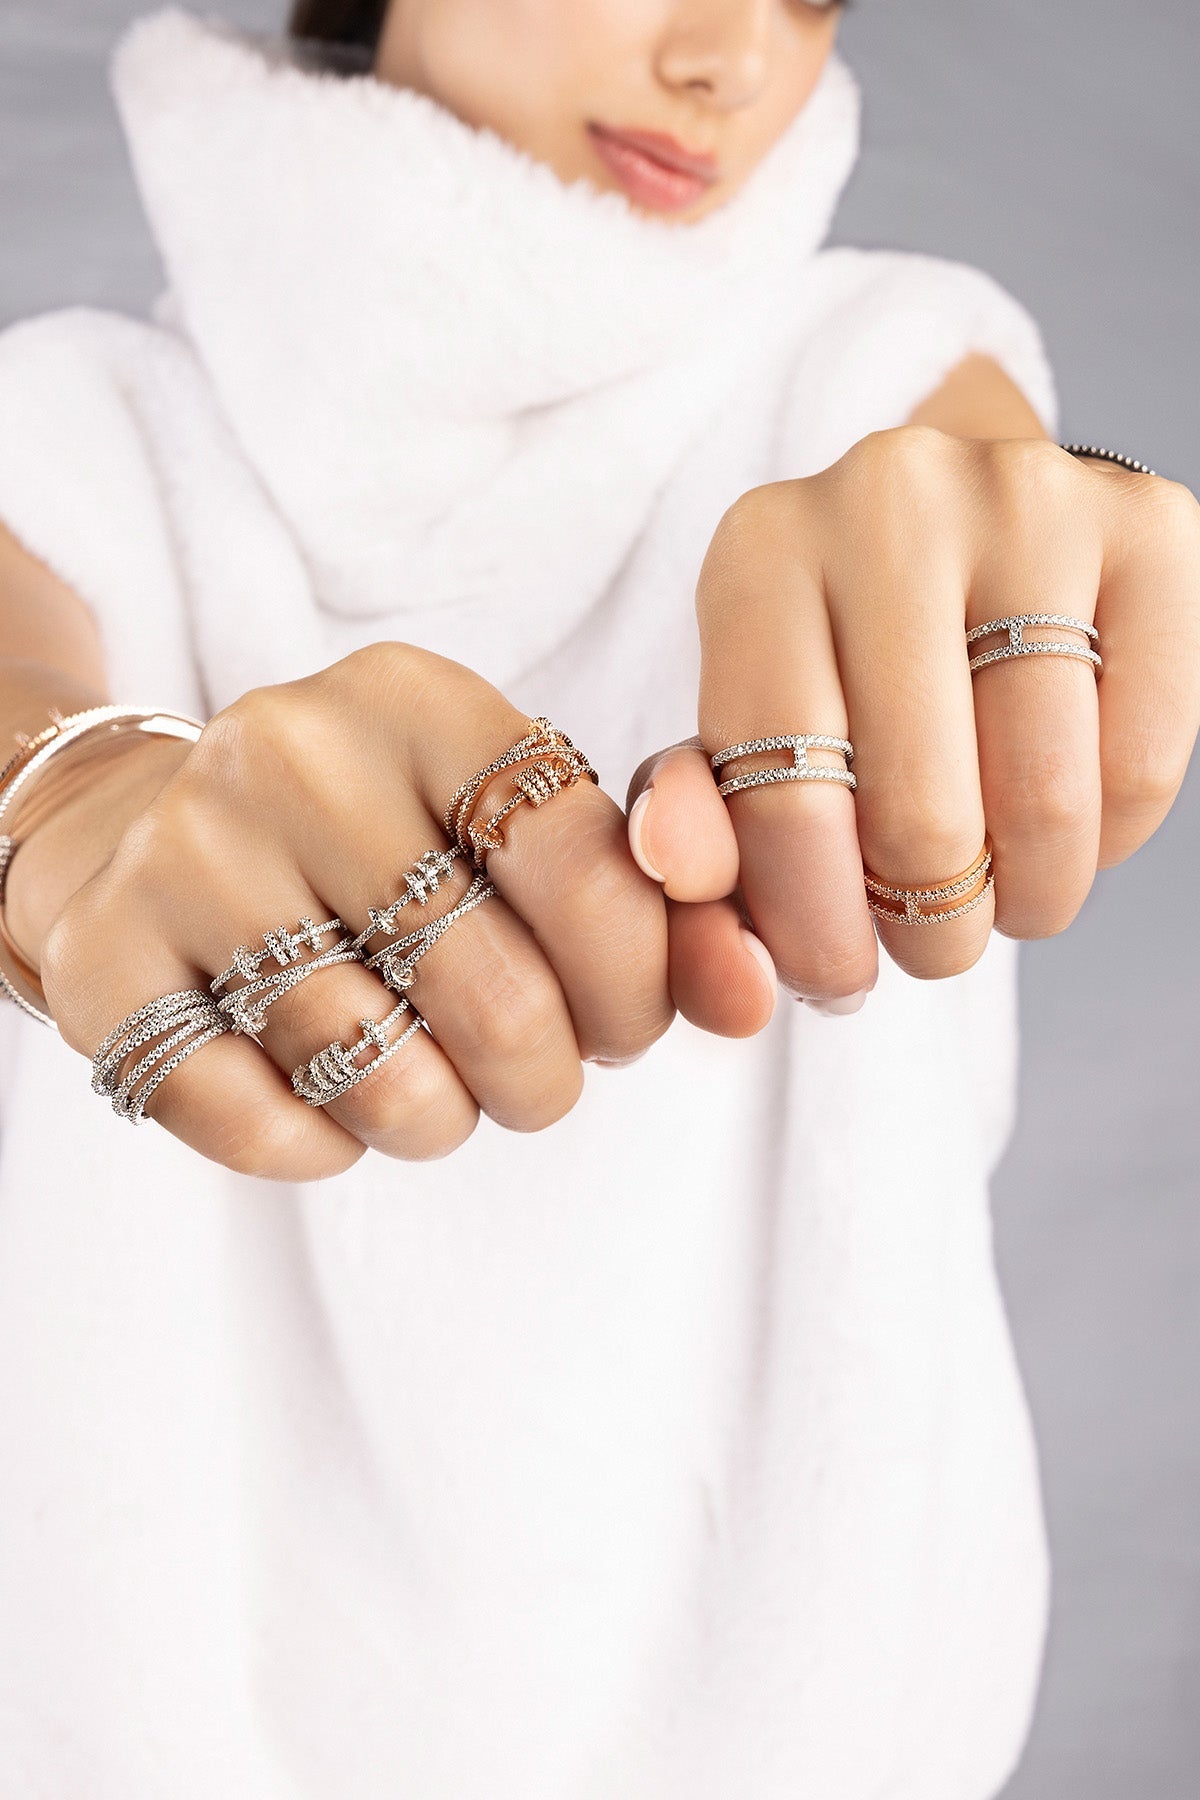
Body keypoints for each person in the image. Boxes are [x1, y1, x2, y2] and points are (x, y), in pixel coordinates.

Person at [0, 2, 1196, 1793]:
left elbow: (961, 484)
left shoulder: (879, 366)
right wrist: (70, 804)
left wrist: (1025, 555)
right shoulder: (65, 423)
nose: (734, 59)